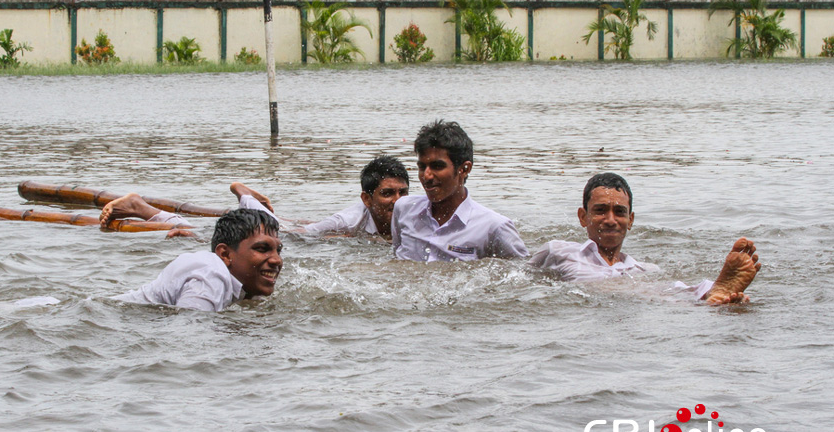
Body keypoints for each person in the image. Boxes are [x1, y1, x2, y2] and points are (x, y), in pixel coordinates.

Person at [529, 172, 761, 305]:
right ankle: (711, 294)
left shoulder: (643, 269)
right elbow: (518, 277)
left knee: (663, 291)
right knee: (635, 291)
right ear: (583, 217)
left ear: (630, 220)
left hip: (632, 291)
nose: (610, 220)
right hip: (589, 295)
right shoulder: (558, 251)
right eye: (600, 211)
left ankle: (711, 292)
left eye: (619, 212)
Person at [391, 120, 529, 261]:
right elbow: (396, 259)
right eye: (422, 167)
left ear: (464, 169)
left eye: (437, 166)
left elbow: (521, 270)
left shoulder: (494, 227)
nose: (426, 176)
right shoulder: (404, 209)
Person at [114, 208, 282, 311]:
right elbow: (190, 336)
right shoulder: (211, 276)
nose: (276, 260)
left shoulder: (240, 282)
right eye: (262, 249)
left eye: (278, 250)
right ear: (225, 254)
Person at [231, 155, 410, 238]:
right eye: (387, 193)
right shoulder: (347, 221)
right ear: (367, 199)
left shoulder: (411, 209)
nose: (398, 201)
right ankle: (244, 194)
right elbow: (300, 236)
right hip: (332, 225)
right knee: (282, 229)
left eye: (403, 192)